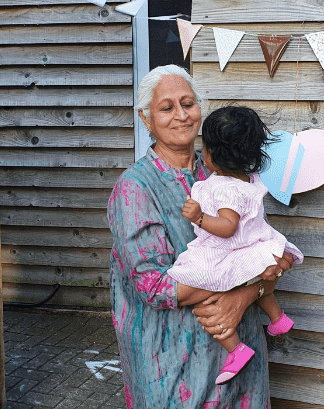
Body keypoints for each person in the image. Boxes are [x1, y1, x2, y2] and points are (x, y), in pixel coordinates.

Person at [107, 65, 294, 409]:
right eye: (166, 108)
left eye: (188, 103)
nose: (181, 115)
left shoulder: (225, 170)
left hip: (242, 348)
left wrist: (243, 296)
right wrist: (247, 277)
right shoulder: (135, 188)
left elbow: (266, 249)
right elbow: (153, 287)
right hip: (175, 362)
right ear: (146, 119)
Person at [167, 106, 304, 385]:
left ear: (213, 156)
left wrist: (200, 217)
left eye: (204, 147)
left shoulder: (225, 188)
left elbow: (228, 227)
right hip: (258, 245)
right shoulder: (248, 179)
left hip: (228, 251)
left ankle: (235, 348)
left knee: (198, 288)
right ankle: (277, 319)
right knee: (259, 282)